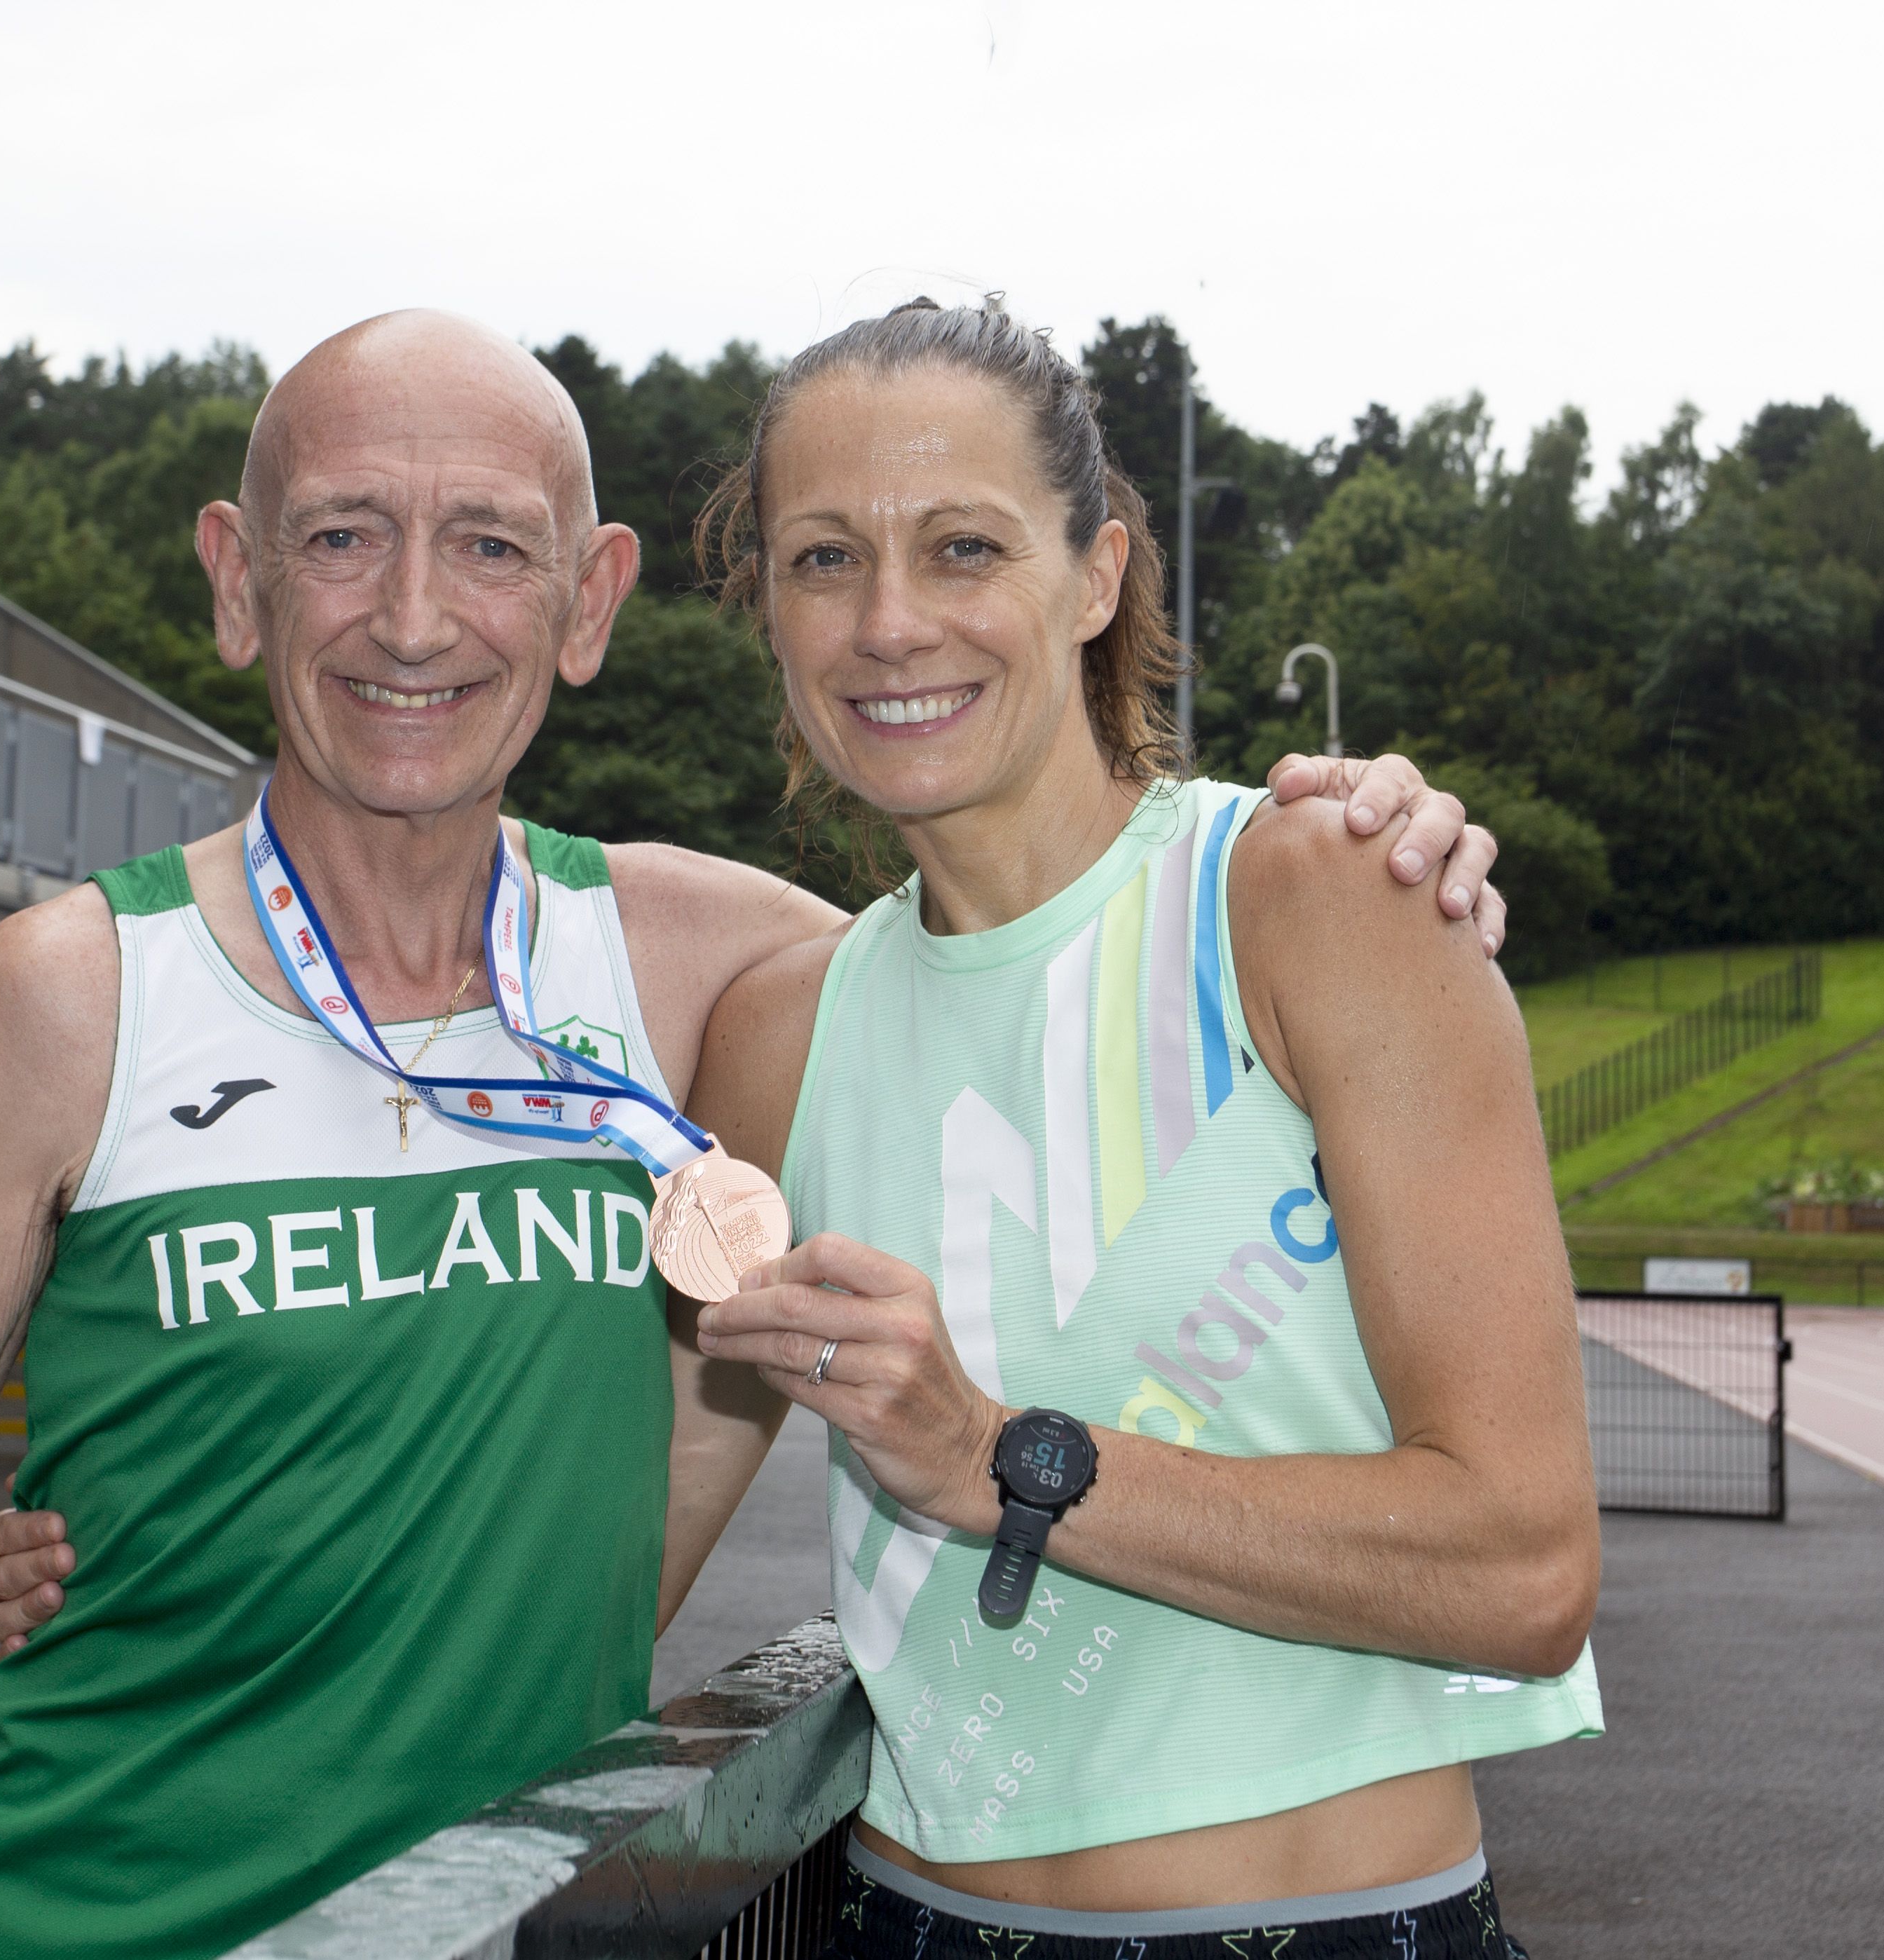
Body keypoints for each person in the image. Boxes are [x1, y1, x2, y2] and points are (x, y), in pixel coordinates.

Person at [0, 305, 1503, 1960]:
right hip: (77, 1913)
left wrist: (1376, 838)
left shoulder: (719, 978)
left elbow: (1053, 929)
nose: (413, 619)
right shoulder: (68, 989)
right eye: (344, 534)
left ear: (587, 607)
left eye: (492, 545)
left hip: (485, 1913)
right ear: (237, 582)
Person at [677, 300, 1599, 1958]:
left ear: (1096, 575)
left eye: (963, 547)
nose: (890, 623)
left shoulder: (1322, 901)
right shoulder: (773, 1038)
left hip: (1330, 1925)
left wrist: (994, 1464)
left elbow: (1522, 1573)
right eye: (822, 560)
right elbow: (620, 1533)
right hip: (903, 1920)